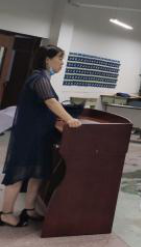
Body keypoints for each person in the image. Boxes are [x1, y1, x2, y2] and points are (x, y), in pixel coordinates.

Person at [1, 45, 82, 227]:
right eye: (60, 58)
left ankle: (29, 209)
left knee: (37, 172)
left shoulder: (44, 78)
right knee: (19, 173)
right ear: (47, 59)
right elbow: (51, 101)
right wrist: (69, 119)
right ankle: (6, 214)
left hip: (41, 134)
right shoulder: (39, 78)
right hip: (30, 135)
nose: (62, 62)